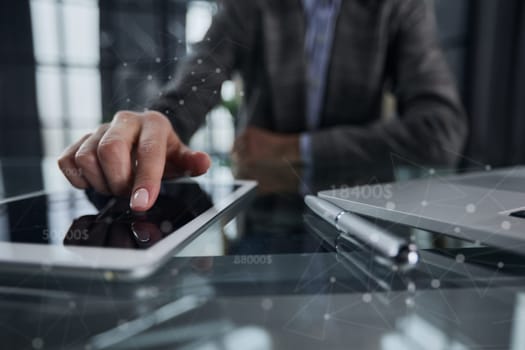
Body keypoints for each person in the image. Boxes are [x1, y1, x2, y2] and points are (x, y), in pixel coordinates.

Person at [58, 0, 467, 212]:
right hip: (263, 208)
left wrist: (295, 150)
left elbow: (442, 128)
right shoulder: (247, 5)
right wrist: (161, 121)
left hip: (363, 207)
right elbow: (196, 82)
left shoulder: (400, 6)